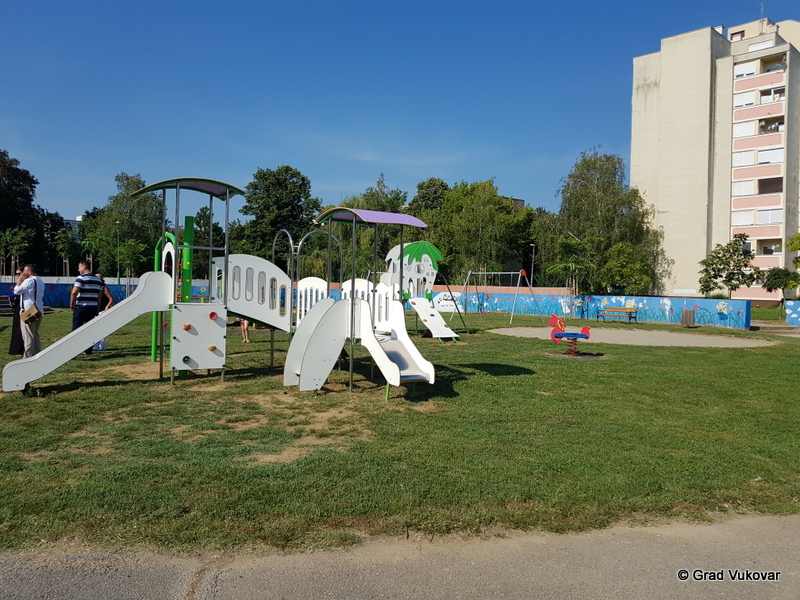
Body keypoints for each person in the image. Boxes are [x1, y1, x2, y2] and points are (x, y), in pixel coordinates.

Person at [69, 260, 113, 355]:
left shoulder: (81, 278)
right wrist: (97, 307)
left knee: (76, 329)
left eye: (79, 267)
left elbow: (74, 292)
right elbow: (99, 296)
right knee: (90, 329)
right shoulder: (98, 280)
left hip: (81, 307)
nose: (78, 270)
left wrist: (71, 304)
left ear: (84, 267)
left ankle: (72, 351)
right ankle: (88, 350)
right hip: (93, 307)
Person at [13, 264, 44, 358]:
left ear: (29, 272)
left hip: (29, 311)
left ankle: (28, 356)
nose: (23, 273)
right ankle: (37, 354)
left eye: (24, 271)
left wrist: (20, 280)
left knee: (28, 335)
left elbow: (16, 291)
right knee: (35, 333)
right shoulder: (40, 281)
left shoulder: (29, 281)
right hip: (39, 309)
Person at [8, 268, 24, 355]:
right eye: (17, 274)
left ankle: (20, 348)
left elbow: (17, 291)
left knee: (21, 329)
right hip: (18, 306)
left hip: (23, 307)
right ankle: (16, 348)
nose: (17, 276)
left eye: (19, 274)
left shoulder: (25, 283)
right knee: (17, 327)